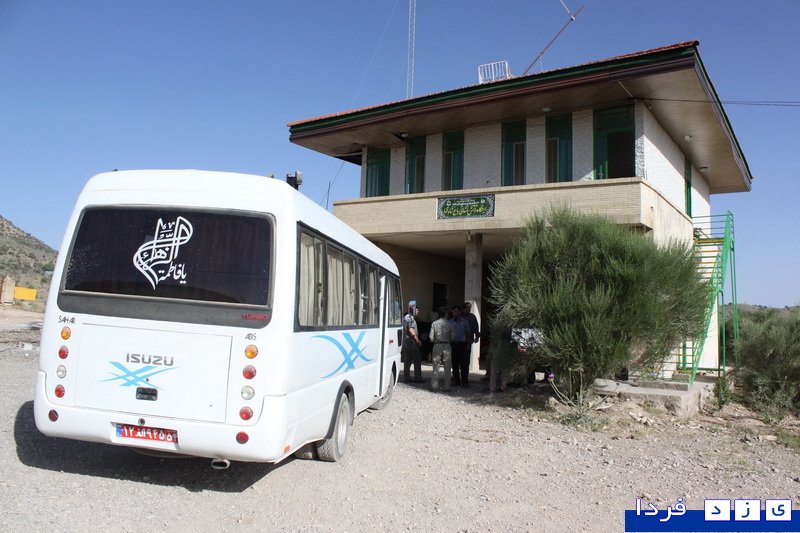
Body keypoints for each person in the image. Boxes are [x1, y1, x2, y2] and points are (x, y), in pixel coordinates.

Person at [429, 307, 455, 391]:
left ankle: (434, 386)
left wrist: (435, 340)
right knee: (447, 367)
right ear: (446, 314)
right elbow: (453, 337)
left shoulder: (434, 323)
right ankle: (447, 387)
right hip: (447, 345)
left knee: (436, 366)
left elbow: (431, 337)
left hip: (437, 345)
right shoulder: (450, 324)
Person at [448, 305, 472, 387]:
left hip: (462, 344)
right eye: (453, 312)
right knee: (455, 364)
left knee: (464, 364)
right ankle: (456, 381)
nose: (454, 313)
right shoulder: (450, 322)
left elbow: (467, 333)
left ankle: (465, 382)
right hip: (453, 344)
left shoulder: (464, 322)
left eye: (456, 312)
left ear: (460, 312)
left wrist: (468, 344)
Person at [402, 300, 424, 383]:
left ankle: (406, 377)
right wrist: (417, 340)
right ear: (413, 309)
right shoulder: (410, 318)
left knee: (407, 360)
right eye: (417, 310)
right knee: (417, 359)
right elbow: (411, 330)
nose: (418, 311)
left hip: (405, 341)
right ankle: (418, 378)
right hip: (411, 342)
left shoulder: (405, 317)